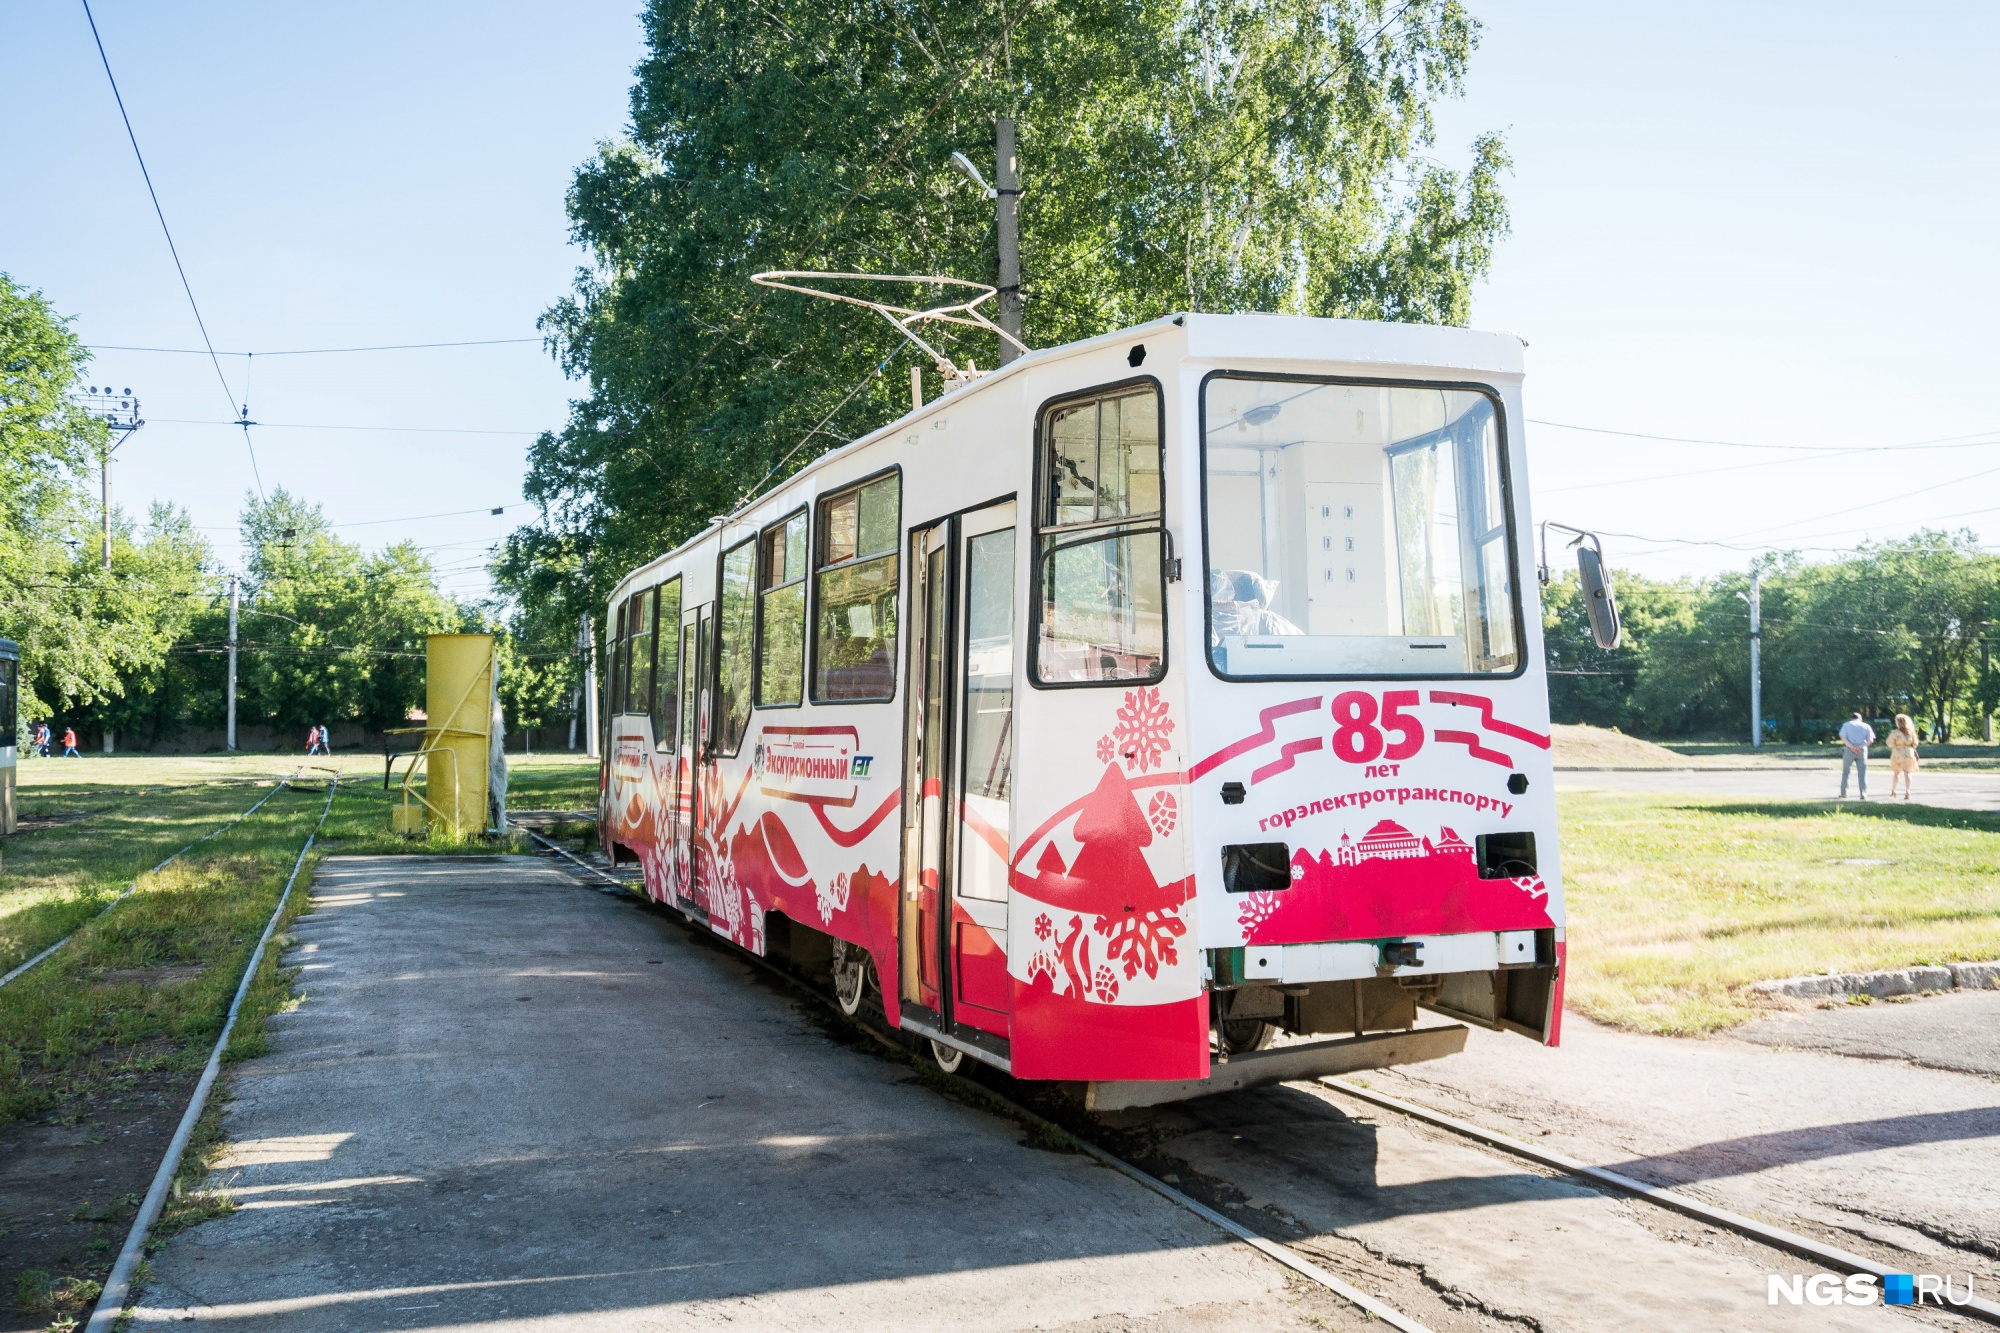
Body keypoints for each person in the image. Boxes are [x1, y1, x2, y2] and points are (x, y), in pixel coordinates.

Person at [1837, 711, 1874, 799]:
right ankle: (1863, 793)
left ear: (1851, 718)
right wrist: (1860, 747)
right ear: (1860, 719)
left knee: (1846, 771)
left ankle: (1844, 792)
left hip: (1849, 750)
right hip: (1862, 751)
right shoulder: (1866, 726)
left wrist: (1852, 747)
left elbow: (1843, 737)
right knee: (1862, 773)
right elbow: (1871, 740)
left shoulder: (1846, 725)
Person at [1887, 713, 1920, 800]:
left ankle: (1893, 790)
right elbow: (1915, 743)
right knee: (1907, 773)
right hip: (1909, 753)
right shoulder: (1911, 732)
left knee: (1896, 773)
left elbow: (1889, 743)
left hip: (1897, 753)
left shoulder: (1894, 733)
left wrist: (1896, 746)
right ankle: (1908, 790)